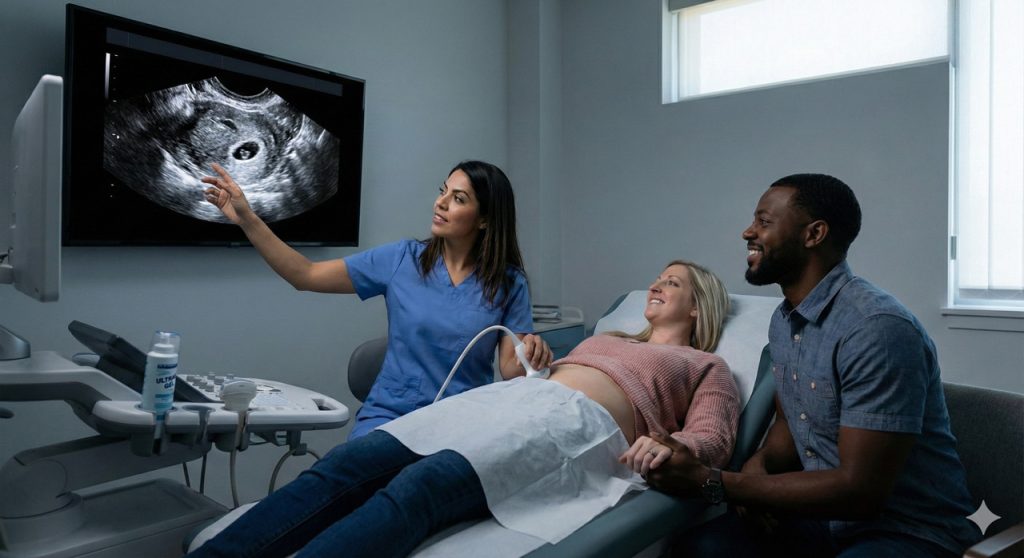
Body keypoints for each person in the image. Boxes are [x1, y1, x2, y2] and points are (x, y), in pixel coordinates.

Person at [187, 260, 740, 557]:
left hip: (573, 428)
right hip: (511, 399)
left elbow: (713, 440)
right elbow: (536, 369)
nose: (657, 284)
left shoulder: (704, 365)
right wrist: (536, 357)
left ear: (702, 304)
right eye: (658, 276)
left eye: (675, 282)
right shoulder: (612, 334)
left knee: (418, 490)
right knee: (344, 467)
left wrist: (673, 447)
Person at [649, 174, 982, 557]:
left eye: (764, 222)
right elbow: (793, 423)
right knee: (699, 549)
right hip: (820, 521)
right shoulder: (785, 321)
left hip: (906, 530)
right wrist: (757, 466)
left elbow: (860, 492)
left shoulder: (877, 330)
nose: (747, 232)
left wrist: (714, 482)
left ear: (814, 234)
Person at [202, 160, 553, 439]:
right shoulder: (402, 259)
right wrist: (247, 219)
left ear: (485, 221)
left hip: (461, 423)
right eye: (443, 191)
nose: (441, 203)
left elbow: (511, 369)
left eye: (458, 199)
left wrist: (535, 355)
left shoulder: (508, 283)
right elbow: (304, 275)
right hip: (388, 417)